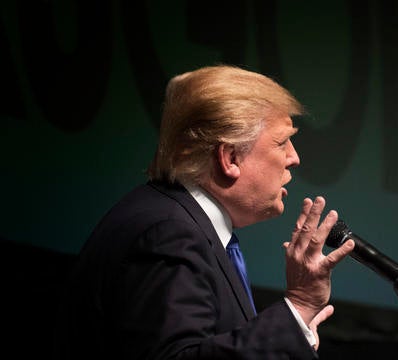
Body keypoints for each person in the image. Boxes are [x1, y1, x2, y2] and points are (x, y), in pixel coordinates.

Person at [54, 64, 355, 359]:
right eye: (282, 142)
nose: (295, 158)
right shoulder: (169, 232)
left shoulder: (179, 223)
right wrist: (298, 308)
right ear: (230, 157)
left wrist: (294, 332)